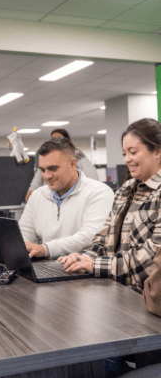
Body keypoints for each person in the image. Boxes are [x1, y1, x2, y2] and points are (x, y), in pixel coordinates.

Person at [59, 118, 161, 294]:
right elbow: (103, 240)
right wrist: (82, 258)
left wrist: (96, 265)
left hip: (147, 300)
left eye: (133, 152)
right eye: (124, 154)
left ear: (157, 151)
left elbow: (154, 258)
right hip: (116, 292)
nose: (127, 159)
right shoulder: (125, 190)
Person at [19, 138, 114, 259]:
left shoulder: (99, 192)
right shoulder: (37, 196)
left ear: (72, 164)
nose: (46, 176)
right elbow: (23, 233)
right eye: (43, 170)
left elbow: (90, 237)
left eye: (53, 169)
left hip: (82, 269)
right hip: (46, 267)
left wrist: (46, 249)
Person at [25, 128, 98, 202]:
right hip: (50, 195)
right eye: (53, 138)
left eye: (58, 138)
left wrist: (92, 190)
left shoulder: (76, 153)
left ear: (66, 139)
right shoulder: (48, 155)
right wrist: (32, 189)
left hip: (71, 195)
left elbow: (90, 173)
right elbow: (39, 174)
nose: (55, 140)